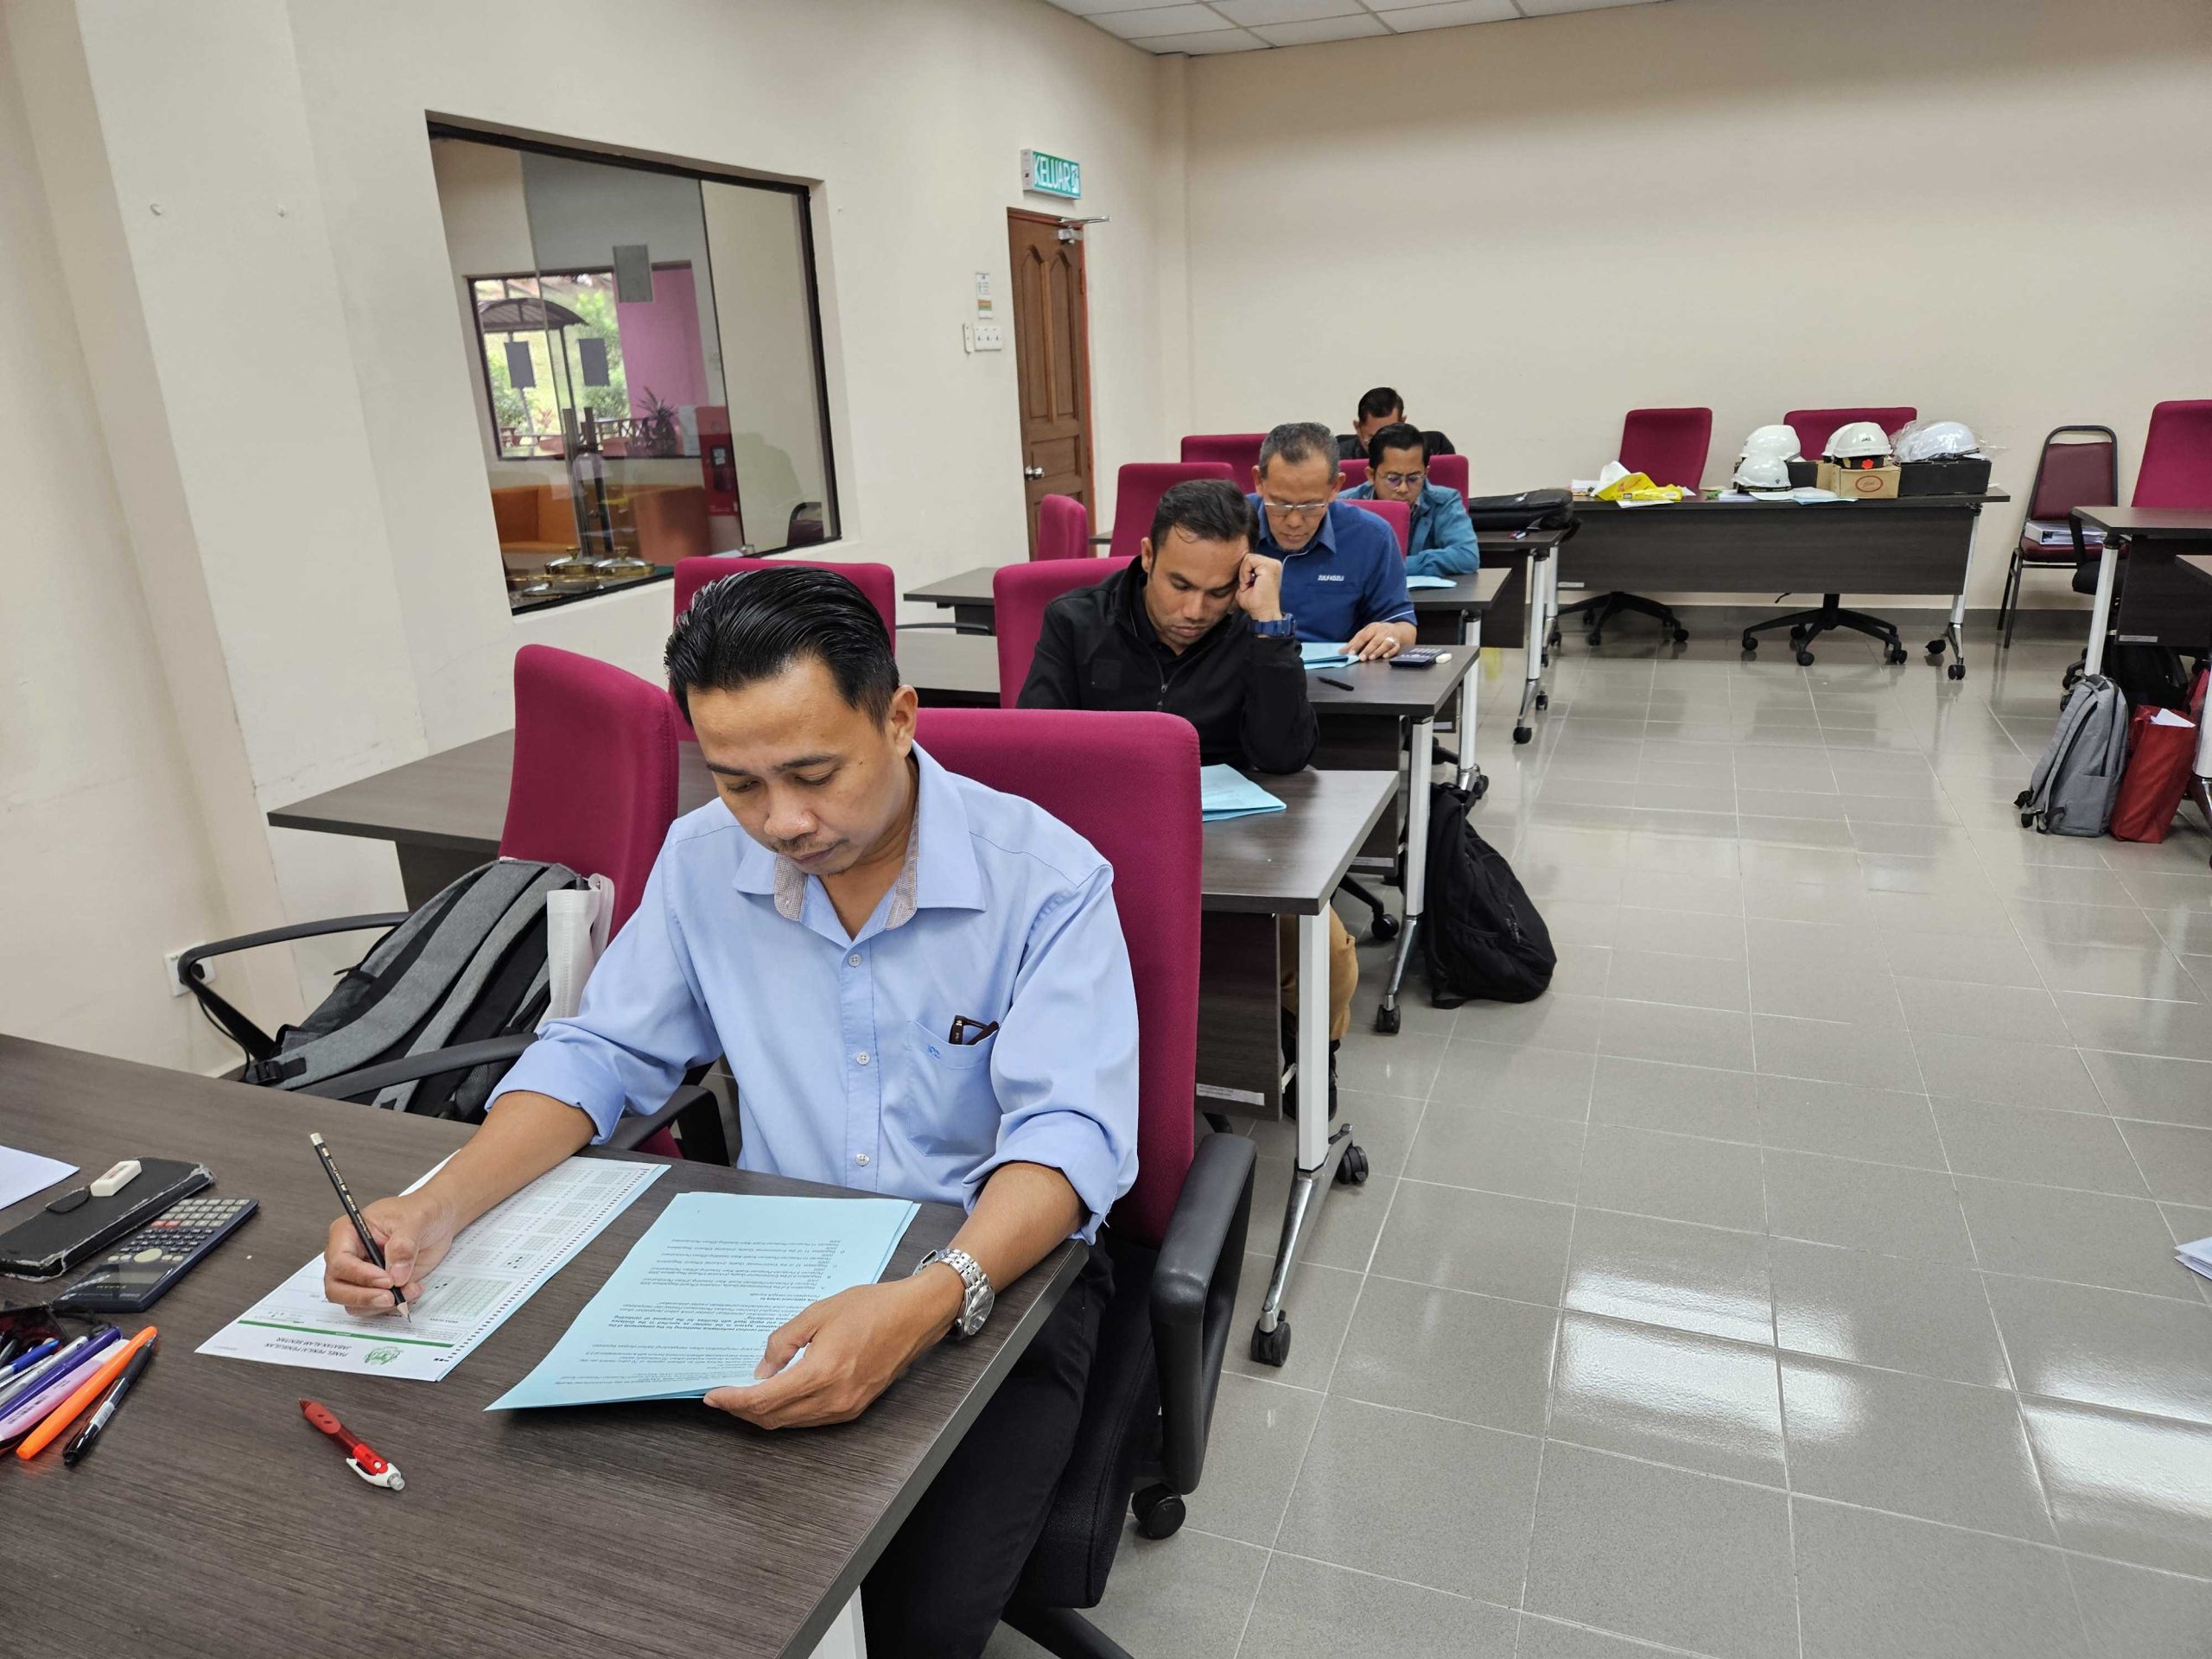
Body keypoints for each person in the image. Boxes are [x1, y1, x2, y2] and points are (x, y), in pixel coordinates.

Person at [320, 567, 1138, 1659]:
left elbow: (1067, 1140)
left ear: (899, 718)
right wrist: (440, 1204)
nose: (783, 822)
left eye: (814, 774)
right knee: (616, 1571)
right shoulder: (706, 857)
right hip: (770, 1262)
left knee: (905, 1625)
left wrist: (923, 1303)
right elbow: (603, 1052)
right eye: (739, 782)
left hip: (992, 1277)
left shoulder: (1046, 881)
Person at [1017, 478, 1357, 1098]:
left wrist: (1269, 627)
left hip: (1238, 846)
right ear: (1148, 556)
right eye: (1179, 585)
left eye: (1218, 591)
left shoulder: (1254, 630)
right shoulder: (1076, 621)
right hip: (1102, 842)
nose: (1195, 611)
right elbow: (1036, 750)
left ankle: (1311, 1055)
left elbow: (1285, 755)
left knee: (1328, 955)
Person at [1251, 420, 1417, 660]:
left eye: (1310, 506)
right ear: (1259, 481)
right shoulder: (1228, 527)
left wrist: (1391, 633)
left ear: (1335, 487)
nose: (1294, 521)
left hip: (1336, 676)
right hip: (1244, 672)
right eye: (1280, 504)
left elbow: (1403, 626)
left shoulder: (1372, 536)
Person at [1341, 422, 1479, 576]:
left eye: (1413, 478)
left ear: (1426, 473)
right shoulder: (1345, 505)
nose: (1403, 489)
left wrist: (1392, 566)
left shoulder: (1444, 501)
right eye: (1393, 479)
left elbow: (1467, 556)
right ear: (1371, 475)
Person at [1335, 386, 1457, 461]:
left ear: (1402, 423)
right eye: (1372, 439)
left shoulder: (1436, 448)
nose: (1382, 447)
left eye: (1390, 436)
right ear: (1358, 428)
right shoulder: (1336, 456)